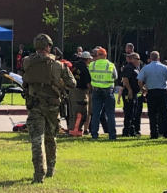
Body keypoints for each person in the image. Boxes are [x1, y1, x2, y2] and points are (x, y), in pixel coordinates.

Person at [22, 34, 75, 183]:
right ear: (48, 46)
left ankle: (39, 173)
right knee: (51, 137)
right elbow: (72, 83)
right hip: (52, 106)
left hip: (34, 105)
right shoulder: (58, 65)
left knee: (37, 139)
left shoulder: (27, 62)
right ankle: (51, 168)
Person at [137, 52, 167, 140]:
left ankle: (154, 133)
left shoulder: (146, 68)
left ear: (150, 58)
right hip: (162, 92)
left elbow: (139, 81)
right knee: (164, 113)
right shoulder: (164, 67)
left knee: (152, 114)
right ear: (159, 58)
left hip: (151, 92)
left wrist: (143, 89)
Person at [87, 47, 117, 140]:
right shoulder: (110, 65)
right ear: (105, 55)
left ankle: (94, 134)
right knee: (110, 114)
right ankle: (112, 135)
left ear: (97, 55)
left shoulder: (92, 65)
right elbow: (115, 77)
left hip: (96, 91)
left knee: (96, 114)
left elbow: (90, 76)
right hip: (108, 91)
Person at [68, 51, 92, 134]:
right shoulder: (85, 68)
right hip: (81, 92)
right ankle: (76, 130)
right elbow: (88, 83)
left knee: (72, 111)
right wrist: (91, 90)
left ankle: (71, 129)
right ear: (87, 59)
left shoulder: (74, 64)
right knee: (80, 111)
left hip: (72, 90)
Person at [120, 52, 143, 137]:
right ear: (132, 59)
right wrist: (129, 90)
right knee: (129, 112)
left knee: (134, 112)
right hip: (129, 93)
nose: (139, 61)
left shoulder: (135, 68)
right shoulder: (129, 68)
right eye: (137, 59)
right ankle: (126, 131)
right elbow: (125, 79)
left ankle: (132, 130)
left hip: (135, 93)